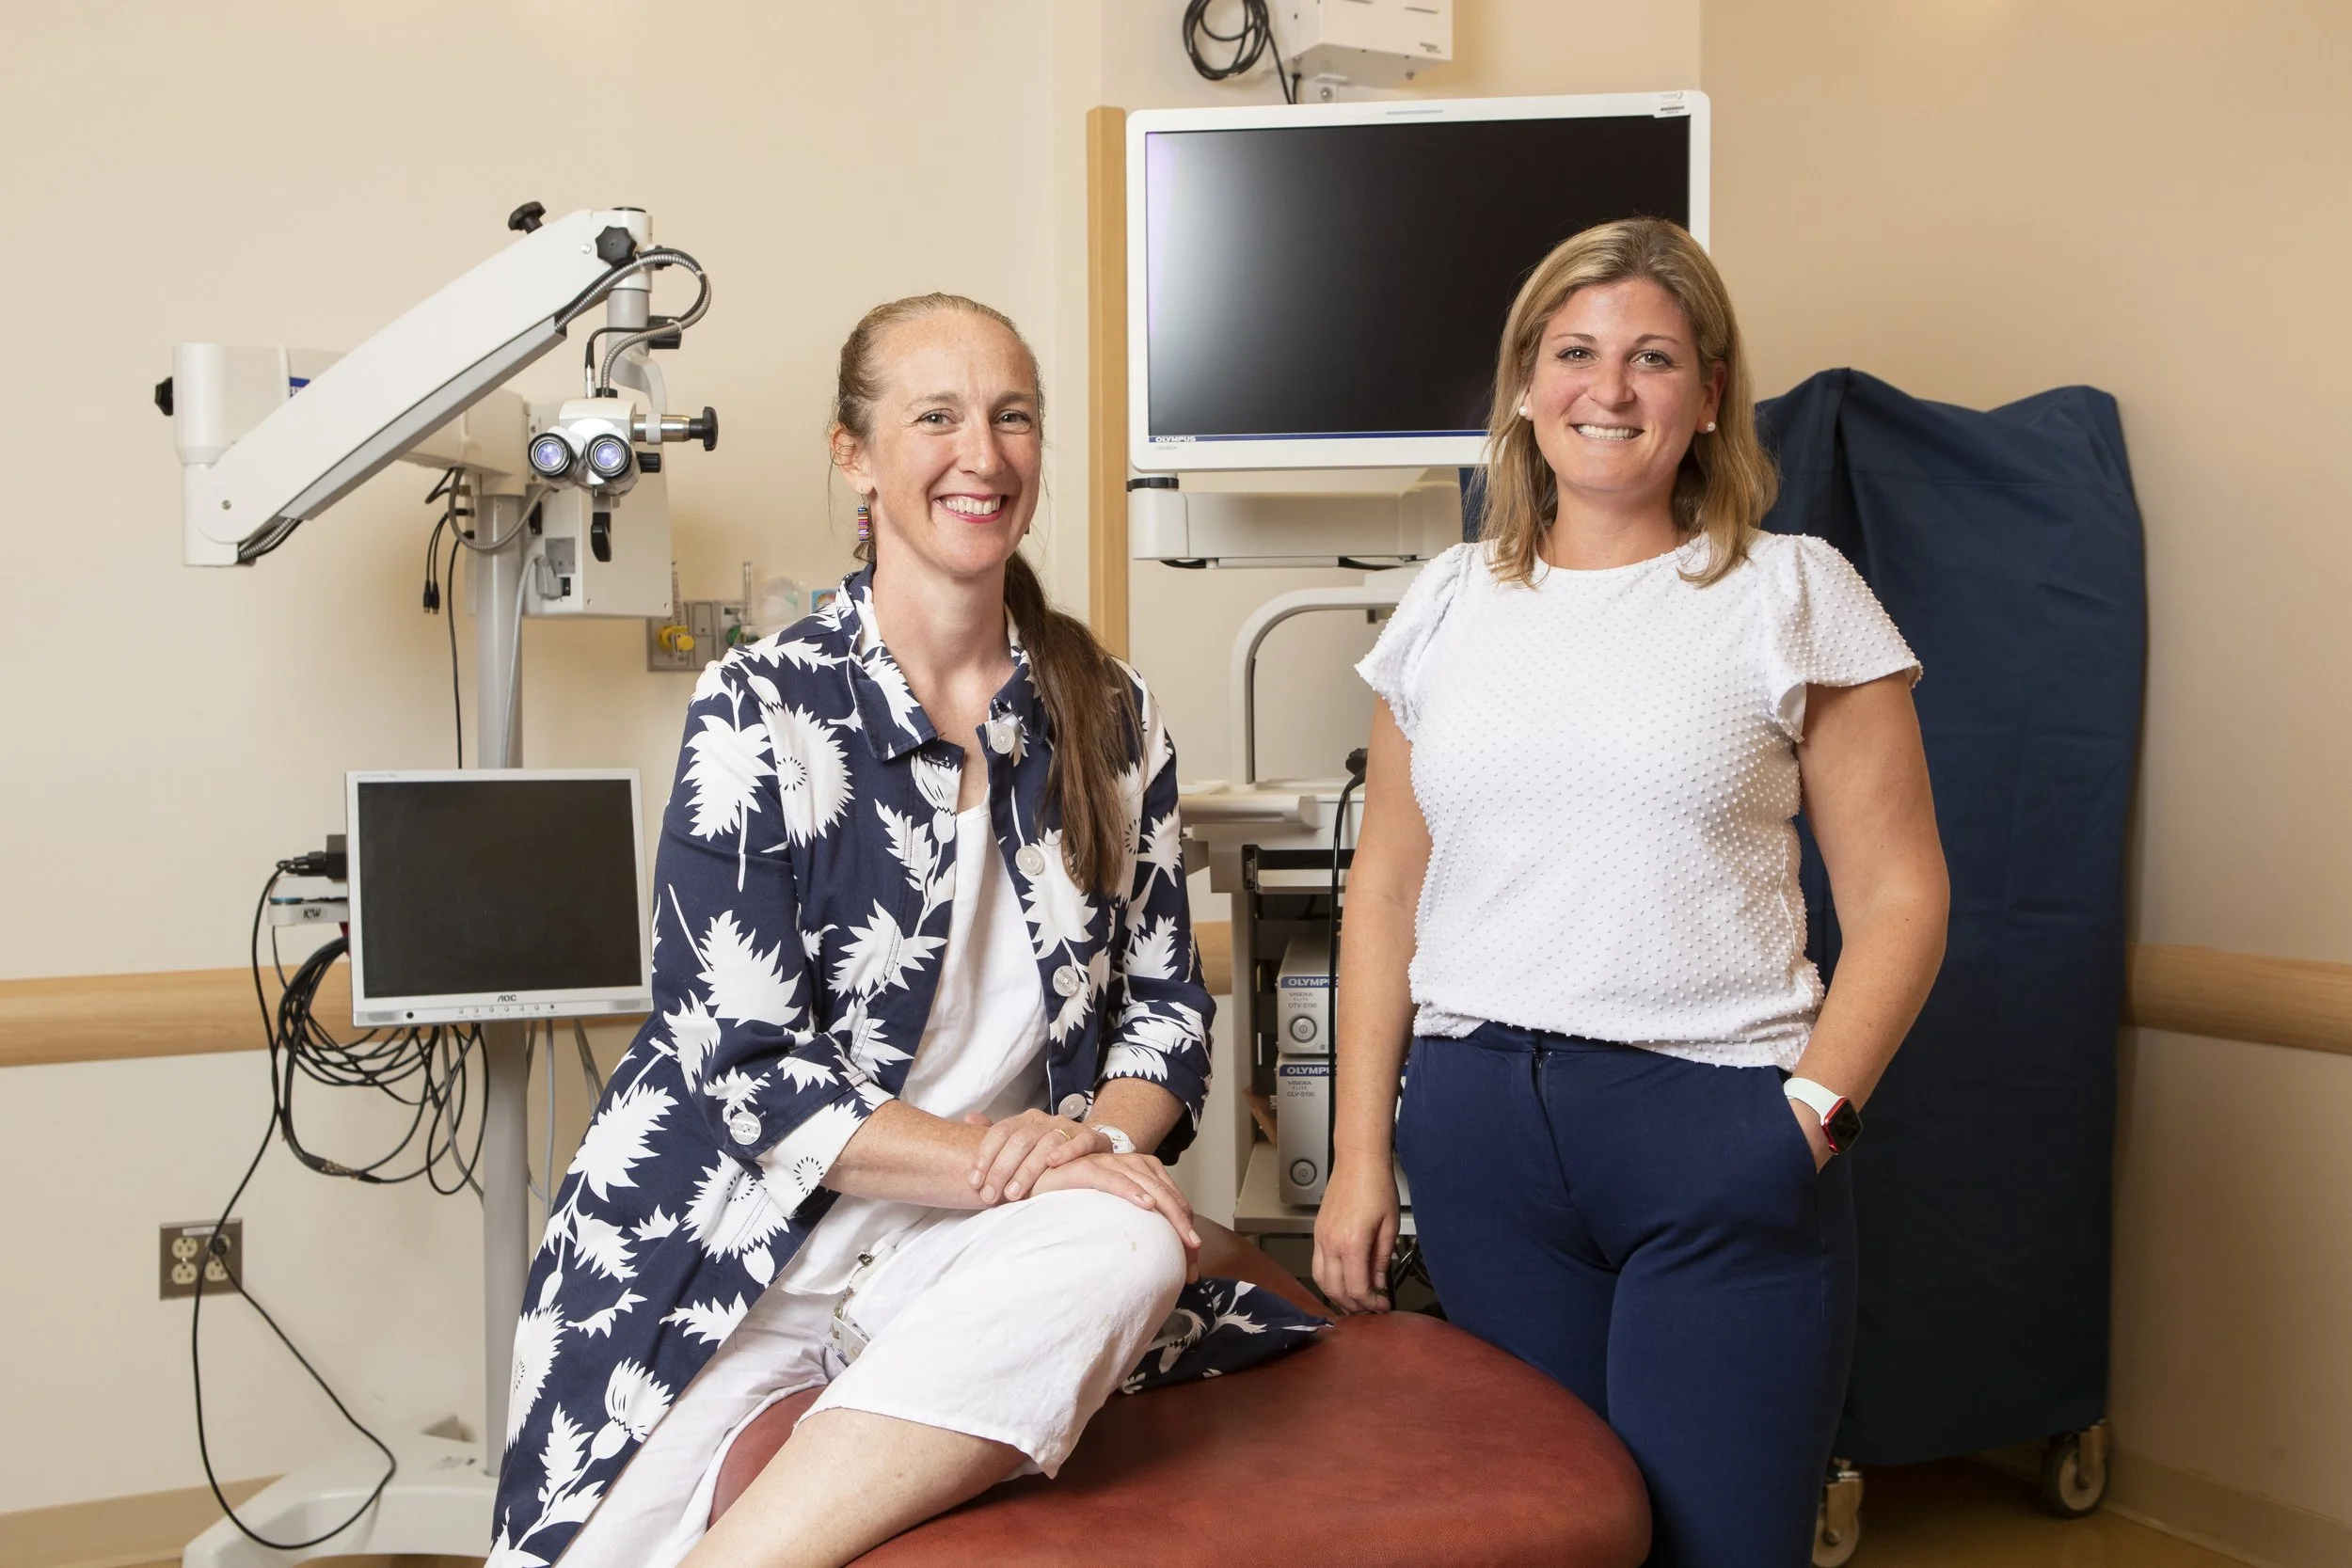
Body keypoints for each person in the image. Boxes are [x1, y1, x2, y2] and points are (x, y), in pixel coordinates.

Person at [487, 293, 1216, 1568]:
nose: (980, 456)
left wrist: (1089, 1148)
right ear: (855, 454)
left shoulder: (1110, 715)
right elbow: (745, 1075)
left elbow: (1165, 1014)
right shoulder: (759, 710)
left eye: (1012, 418)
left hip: (975, 1241)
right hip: (734, 1237)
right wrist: (1015, 1155)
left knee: (1133, 1233)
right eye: (935, 417)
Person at [1311, 219, 1949, 1565]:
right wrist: (1364, 1152)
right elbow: (1384, 891)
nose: (1610, 390)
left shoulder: (1794, 593)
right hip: (1484, 1141)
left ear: (1710, 393)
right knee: (1541, 1537)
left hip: (1718, 1131)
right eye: (1577, 352)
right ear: (1527, 384)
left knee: (1715, 1544)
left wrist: (1808, 1121)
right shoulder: (1444, 606)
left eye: (1652, 357)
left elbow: (1900, 895)